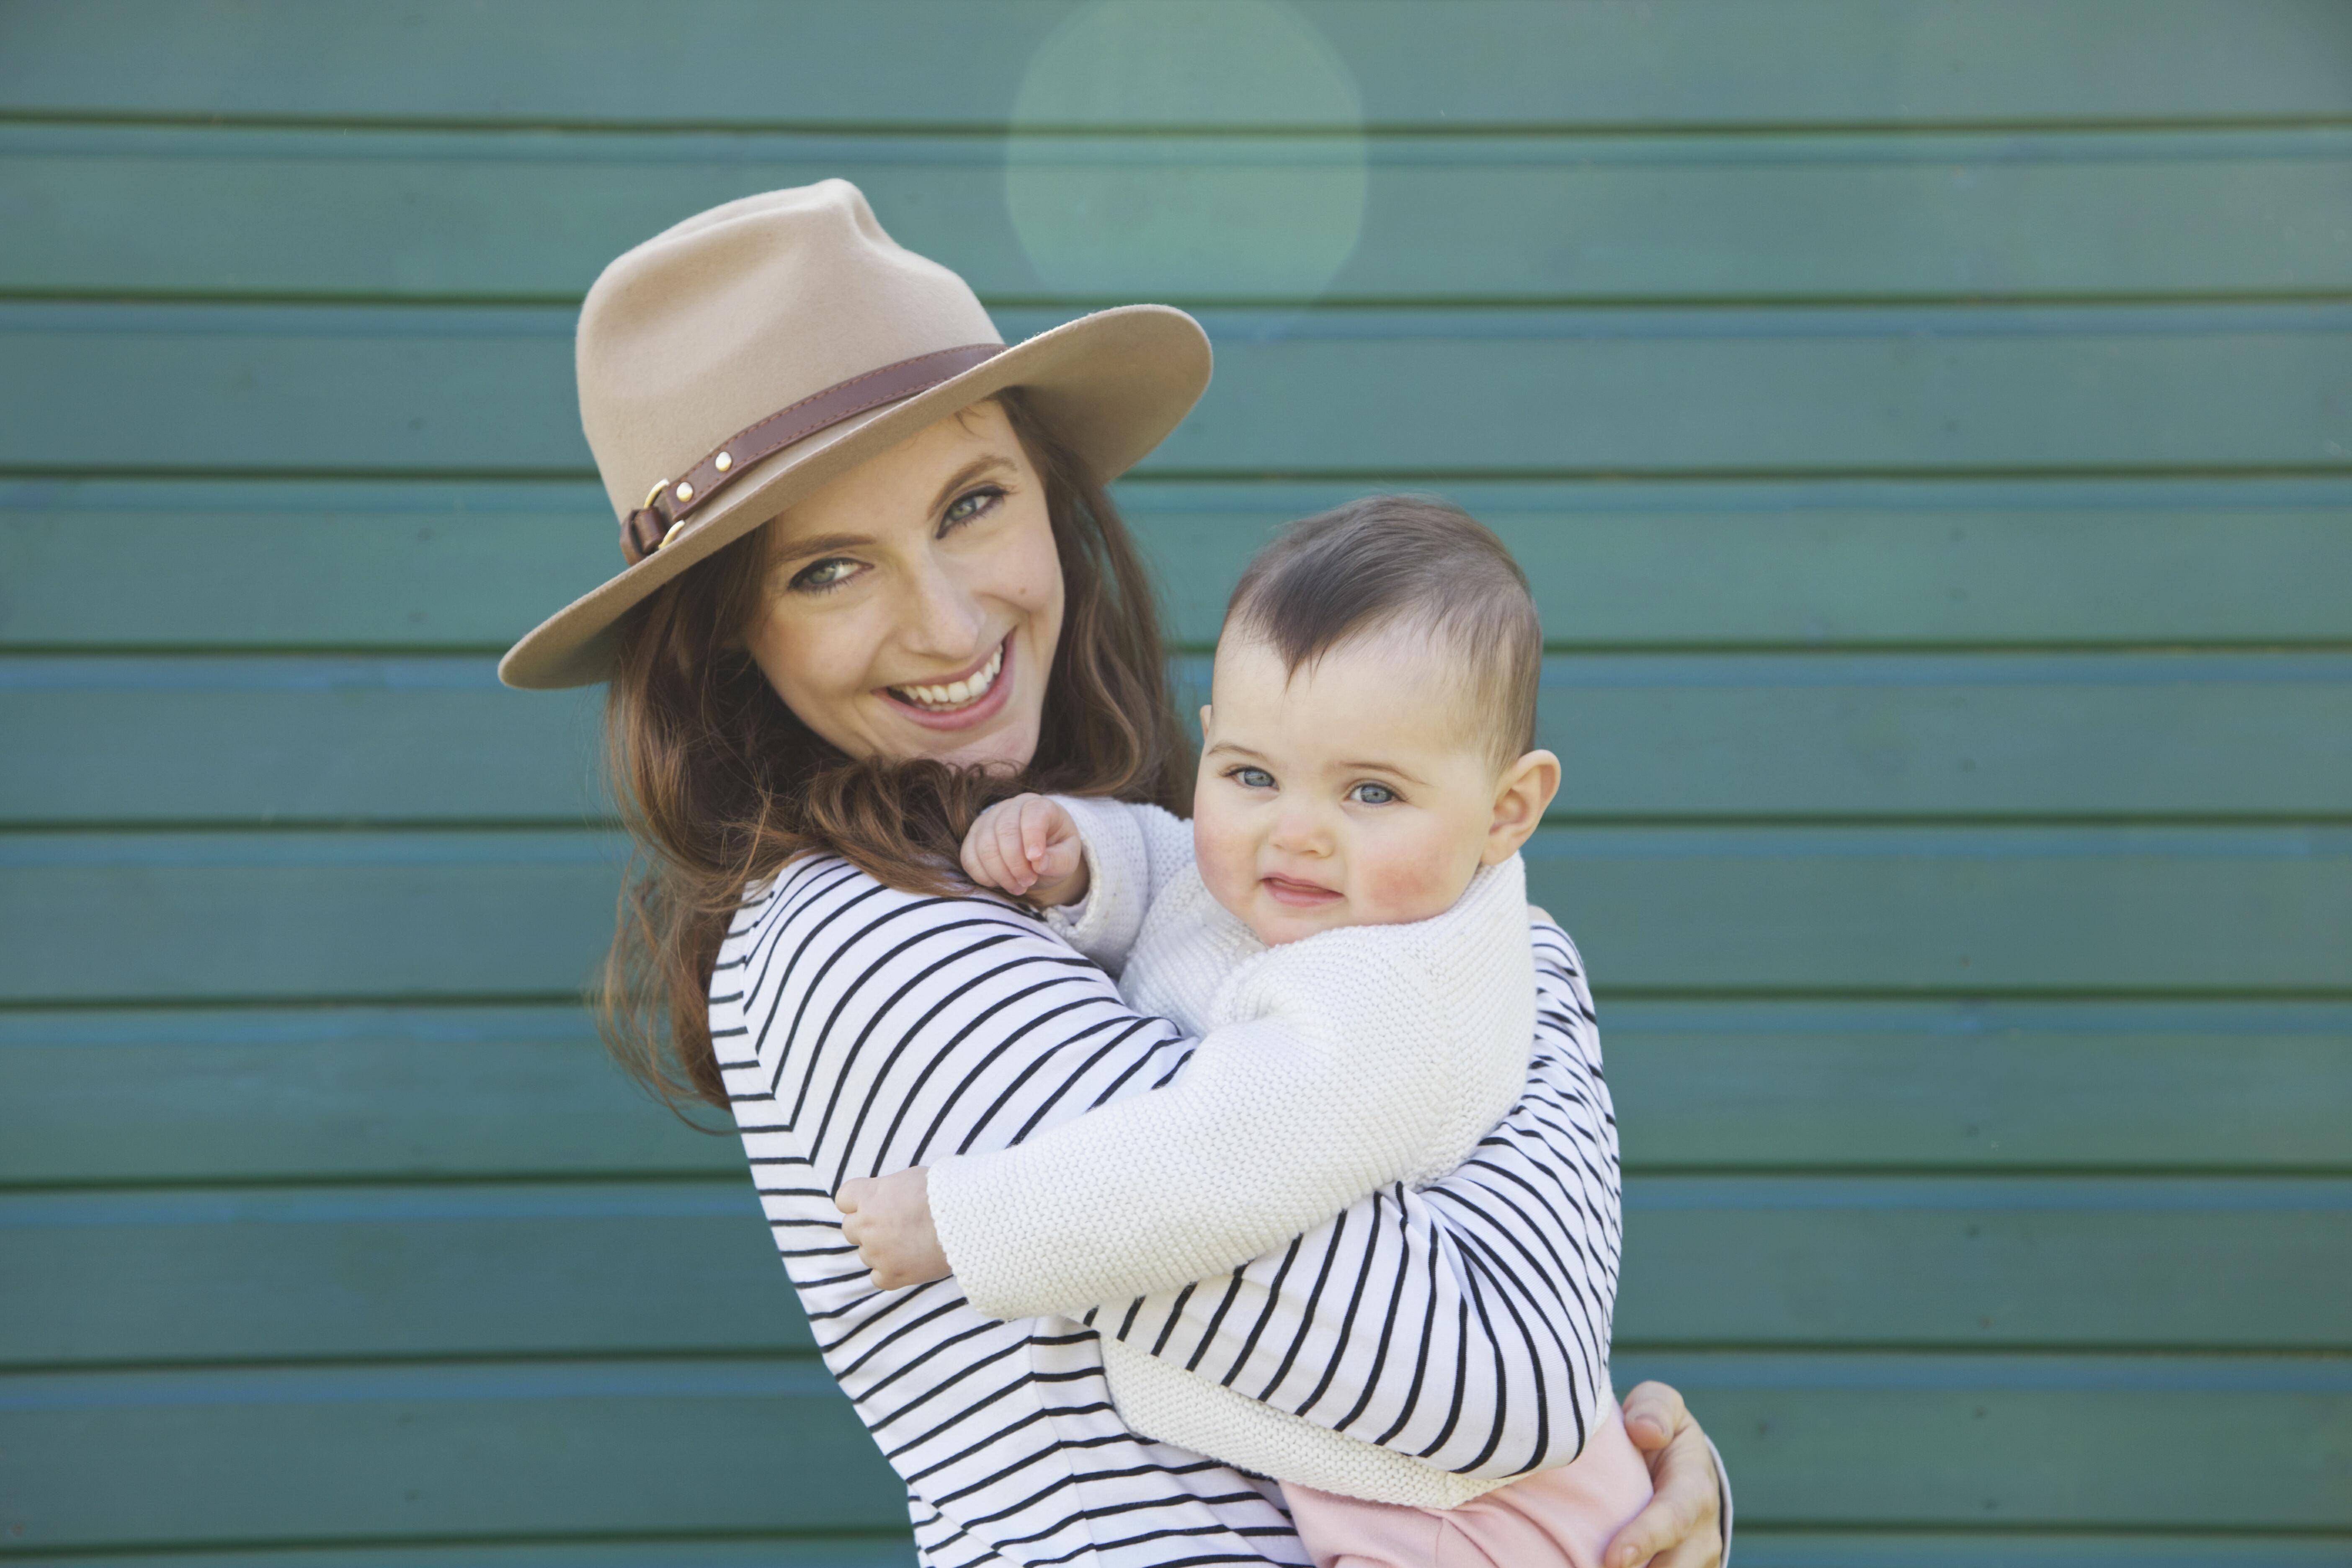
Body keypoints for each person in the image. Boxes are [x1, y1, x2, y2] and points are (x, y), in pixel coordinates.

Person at [499, 179, 1730, 1568]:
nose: (949, 620)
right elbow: (1483, 1383)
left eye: (971, 503)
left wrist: (1630, 1505)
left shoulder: (1164, 869)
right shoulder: (863, 945)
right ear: (726, 643)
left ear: (1051, 495)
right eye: (829, 570)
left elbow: (1483, 1288)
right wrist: (1589, 1465)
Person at [841, 494, 1655, 1568]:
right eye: (1252, 777)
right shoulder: (1314, 890)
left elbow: (1217, 1158)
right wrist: (1085, 853)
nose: (1297, 835)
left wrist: (965, 1222)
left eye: (1372, 791)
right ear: (1210, 747)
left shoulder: (1398, 990)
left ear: (1509, 811)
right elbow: (1187, 865)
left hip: (1472, 1518)